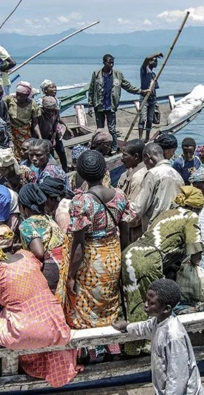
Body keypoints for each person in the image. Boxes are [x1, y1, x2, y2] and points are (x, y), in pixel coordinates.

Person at [0, 225, 79, 388]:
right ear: (12, 245)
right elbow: (16, 271)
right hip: (55, 325)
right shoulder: (27, 257)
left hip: (23, 332)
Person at [64, 150, 134, 355]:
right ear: (105, 170)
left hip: (91, 260)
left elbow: (78, 244)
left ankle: (94, 352)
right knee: (108, 302)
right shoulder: (120, 195)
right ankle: (113, 348)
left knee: (86, 306)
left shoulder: (81, 202)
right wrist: (121, 256)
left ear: (81, 174)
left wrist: (70, 275)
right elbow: (126, 230)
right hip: (113, 254)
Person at [121, 186, 204, 355]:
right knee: (153, 306)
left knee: (134, 301)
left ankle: (131, 347)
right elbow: (195, 250)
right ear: (196, 207)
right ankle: (145, 347)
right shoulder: (191, 216)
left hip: (130, 253)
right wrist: (195, 264)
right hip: (147, 259)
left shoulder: (168, 212)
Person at [113, 279, 204, 395]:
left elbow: (177, 379)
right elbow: (144, 328)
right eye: (146, 300)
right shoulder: (159, 321)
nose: (146, 305)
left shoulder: (174, 336)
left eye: (151, 303)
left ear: (166, 308)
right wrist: (126, 326)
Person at [89, 54, 146, 154]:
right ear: (104, 62)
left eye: (112, 62)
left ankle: (114, 149)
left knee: (112, 129)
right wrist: (90, 105)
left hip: (111, 105)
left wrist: (141, 91)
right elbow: (91, 90)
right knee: (100, 129)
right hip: (99, 106)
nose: (111, 64)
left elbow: (127, 86)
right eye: (109, 62)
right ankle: (99, 148)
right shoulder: (96, 74)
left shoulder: (117, 74)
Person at [18, 184, 68, 292]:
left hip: (51, 270)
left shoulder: (27, 224)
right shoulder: (48, 219)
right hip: (65, 265)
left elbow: (39, 252)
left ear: (23, 207)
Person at [131, 143, 184, 232]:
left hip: (154, 230)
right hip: (173, 228)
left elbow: (138, 207)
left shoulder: (153, 173)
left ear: (148, 157)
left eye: (145, 162)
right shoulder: (178, 176)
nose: (146, 167)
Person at [4, 82, 42, 159]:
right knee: (13, 155)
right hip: (11, 132)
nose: (18, 97)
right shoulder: (9, 100)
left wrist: (40, 137)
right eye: (17, 94)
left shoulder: (32, 104)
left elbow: (35, 123)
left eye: (22, 96)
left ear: (27, 95)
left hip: (25, 133)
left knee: (26, 153)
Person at [138, 52, 163, 142]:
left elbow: (154, 88)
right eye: (154, 61)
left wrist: (155, 101)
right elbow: (146, 58)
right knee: (142, 118)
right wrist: (156, 55)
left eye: (157, 61)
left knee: (150, 119)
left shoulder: (153, 75)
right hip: (144, 98)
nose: (156, 63)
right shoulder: (144, 70)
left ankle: (147, 137)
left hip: (152, 99)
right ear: (150, 62)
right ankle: (140, 138)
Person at [39, 96, 68, 171]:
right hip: (43, 135)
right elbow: (37, 127)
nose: (50, 112)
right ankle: (53, 170)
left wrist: (54, 137)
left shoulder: (56, 111)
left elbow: (55, 123)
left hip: (53, 133)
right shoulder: (39, 114)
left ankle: (65, 168)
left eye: (52, 110)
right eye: (48, 110)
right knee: (50, 153)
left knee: (61, 151)